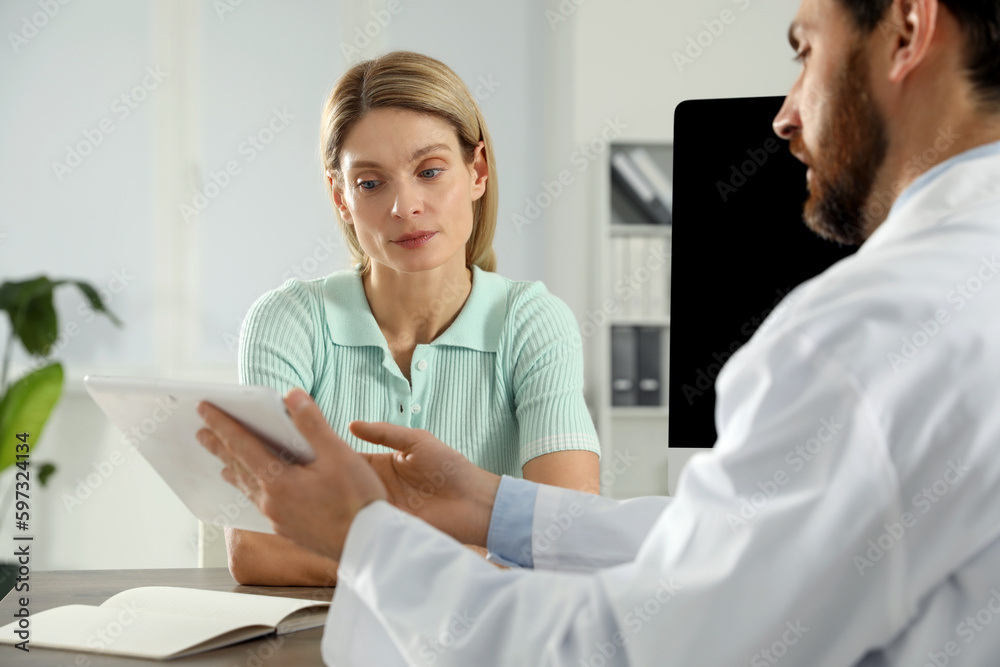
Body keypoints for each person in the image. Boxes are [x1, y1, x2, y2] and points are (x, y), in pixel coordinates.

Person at [198, 0, 1000, 663]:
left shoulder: (862, 337)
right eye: (371, 180)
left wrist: (365, 537)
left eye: (804, 50)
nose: (785, 115)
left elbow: (618, 649)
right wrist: (493, 505)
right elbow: (733, 544)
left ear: (906, 29)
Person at [225, 51, 601, 586]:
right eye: (371, 183)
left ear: (478, 171)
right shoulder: (289, 322)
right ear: (341, 197)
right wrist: (444, 565)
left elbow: (570, 534)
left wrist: (351, 556)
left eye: (429, 171)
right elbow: (256, 549)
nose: (405, 206)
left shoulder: (533, 322)